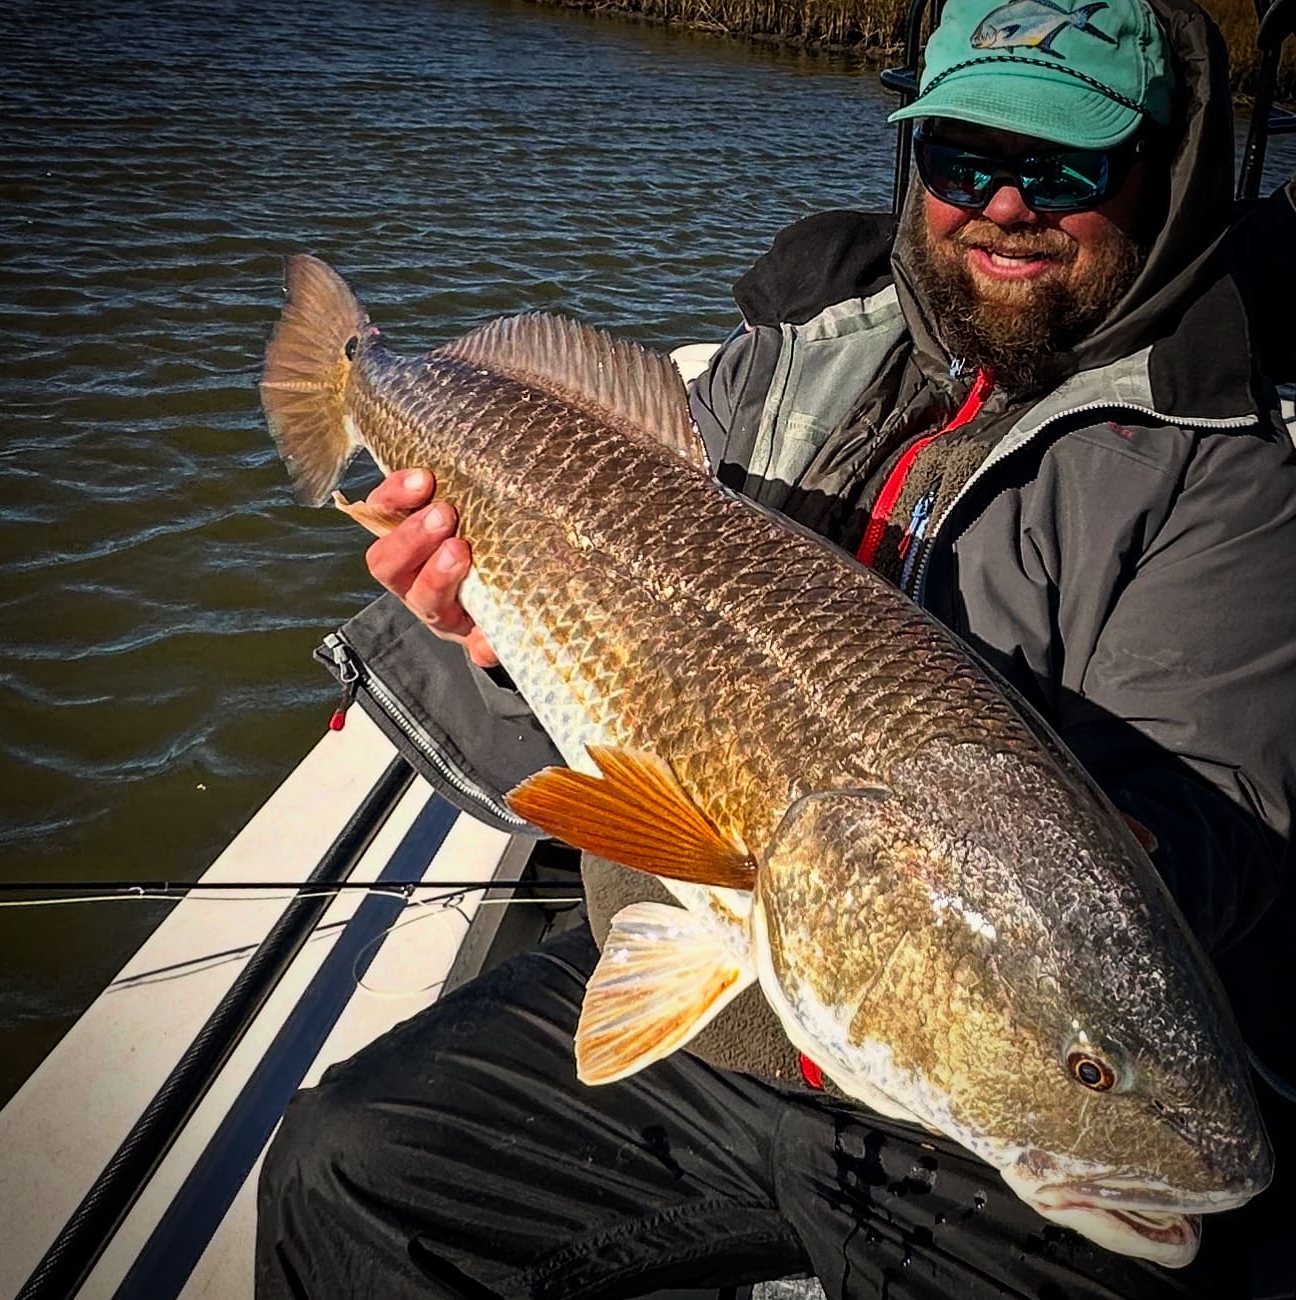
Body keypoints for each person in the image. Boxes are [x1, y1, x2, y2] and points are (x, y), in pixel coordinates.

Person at [255, 0, 1296, 1295]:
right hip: (713, 1022)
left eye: (1068, 165)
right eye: (964, 159)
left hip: (955, 1147)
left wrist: (1079, 1030)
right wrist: (488, 643)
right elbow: (593, 734)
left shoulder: (1228, 474)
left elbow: (1216, 830)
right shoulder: (797, 352)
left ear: (1158, 167)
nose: (1007, 203)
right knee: (339, 1164)